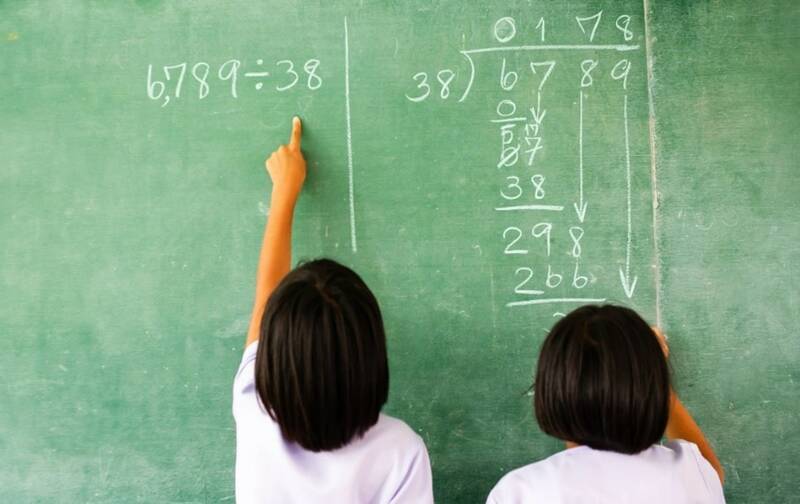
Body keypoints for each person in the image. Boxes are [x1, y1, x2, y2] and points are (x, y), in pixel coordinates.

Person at [233, 117, 433, 504]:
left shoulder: (252, 405)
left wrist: (284, 194)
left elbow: (265, 297)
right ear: (373, 360)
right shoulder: (400, 453)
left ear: (274, 361)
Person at [487, 304, 725, 503]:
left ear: (551, 391)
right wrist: (650, 376)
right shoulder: (691, 477)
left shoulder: (519, 492)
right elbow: (710, 473)